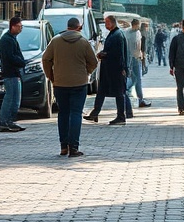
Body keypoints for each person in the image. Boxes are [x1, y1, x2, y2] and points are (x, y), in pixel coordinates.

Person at [42, 17, 98, 157]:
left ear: (67, 27)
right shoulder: (84, 42)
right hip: (79, 83)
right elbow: (93, 61)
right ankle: (74, 147)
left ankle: (63, 147)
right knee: (76, 113)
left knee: (63, 113)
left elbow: (45, 59)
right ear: (78, 27)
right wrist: (86, 72)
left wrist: (51, 75)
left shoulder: (55, 41)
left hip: (60, 83)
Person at [85, 15, 129, 125]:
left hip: (115, 69)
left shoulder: (117, 35)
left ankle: (121, 116)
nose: (105, 25)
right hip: (108, 69)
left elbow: (118, 54)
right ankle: (95, 113)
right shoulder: (113, 34)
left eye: (107, 23)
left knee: (119, 93)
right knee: (101, 91)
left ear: (112, 23)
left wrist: (105, 55)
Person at [0, 16, 26, 133]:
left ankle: (10, 121)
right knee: (10, 98)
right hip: (10, 74)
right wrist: (21, 62)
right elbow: (10, 57)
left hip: (14, 73)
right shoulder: (6, 40)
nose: (21, 29)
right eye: (19, 26)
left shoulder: (12, 38)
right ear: (13, 26)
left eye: (21, 27)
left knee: (15, 99)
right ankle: (5, 122)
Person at [125, 19, 151, 108]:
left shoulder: (128, 33)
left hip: (132, 58)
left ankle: (128, 91)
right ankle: (138, 98)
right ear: (136, 25)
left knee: (134, 78)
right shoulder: (135, 34)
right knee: (137, 79)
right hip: (135, 59)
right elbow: (137, 48)